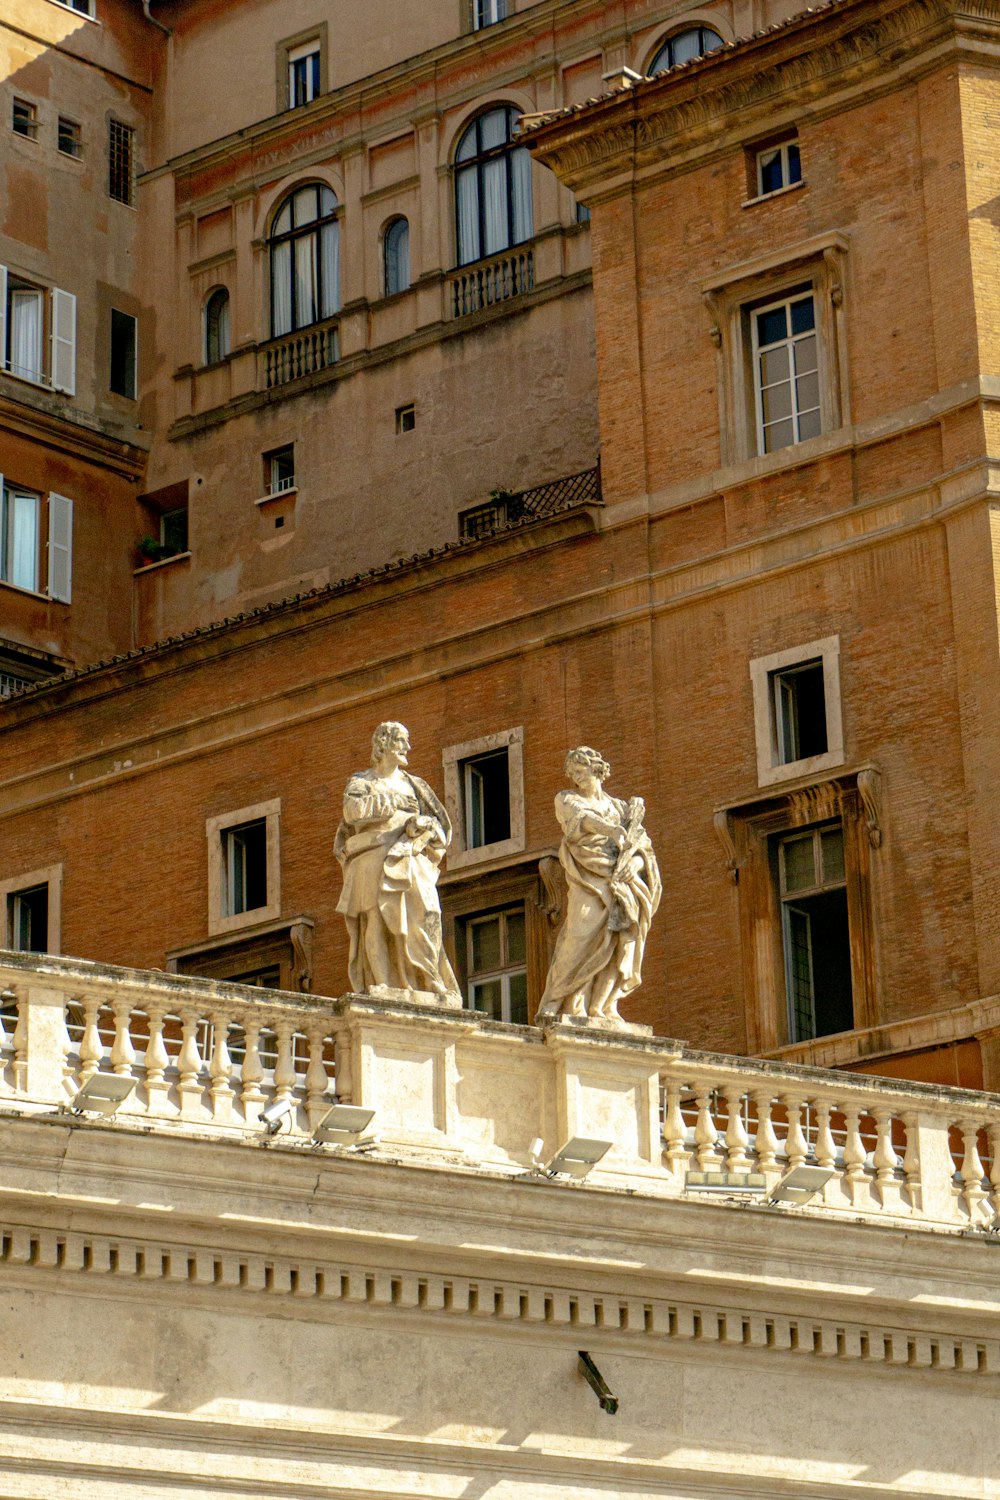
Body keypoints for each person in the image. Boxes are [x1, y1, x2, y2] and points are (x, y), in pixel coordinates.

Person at [537, 746, 660, 1024]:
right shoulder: (566, 798)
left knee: (620, 937)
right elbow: (581, 819)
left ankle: (602, 1005)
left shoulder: (620, 808)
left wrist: (634, 865)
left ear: (596, 769)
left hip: (622, 881)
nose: (577, 778)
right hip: (588, 878)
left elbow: (645, 850)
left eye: (581, 771)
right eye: (573, 773)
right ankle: (559, 998)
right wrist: (613, 830)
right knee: (579, 935)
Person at [335, 721, 458, 996]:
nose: (407, 747)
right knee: (376, 920)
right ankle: (382, 984)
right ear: (383, 744)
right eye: (401, 740)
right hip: (371, 854)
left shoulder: (415, 785)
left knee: (427, 912)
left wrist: (421, 825)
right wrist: (393, 803)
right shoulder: (361, 781)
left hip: (409, 855)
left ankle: (427, 974)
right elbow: (352, 812)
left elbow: (440, 826)